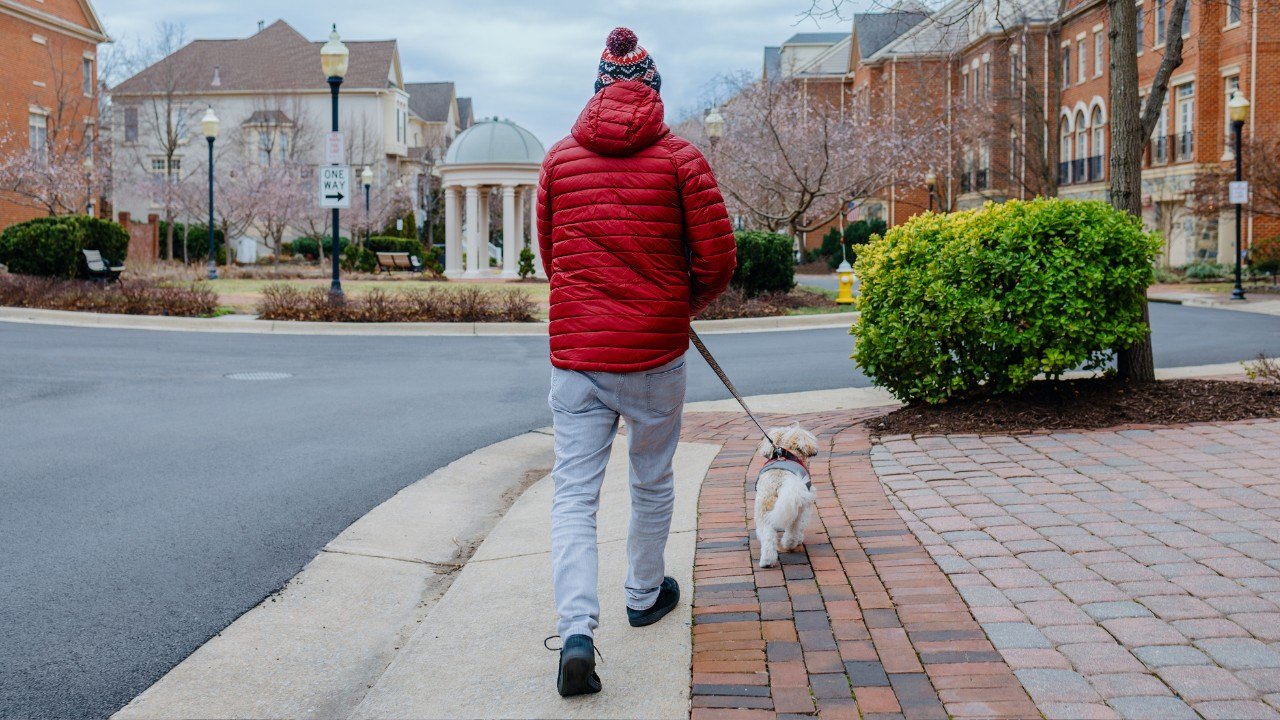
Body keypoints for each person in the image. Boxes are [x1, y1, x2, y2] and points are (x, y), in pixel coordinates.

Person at [536, 26, 737, 697]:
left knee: (573, 495)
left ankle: (575, 632)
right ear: (652, 91)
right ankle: (645, 593)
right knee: (650, 479)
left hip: (578, 357)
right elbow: (719, 259)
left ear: (598, 92)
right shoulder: (681, 160)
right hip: (654, 355)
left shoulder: (560, 161)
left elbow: (549, 257)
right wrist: (680, 302)